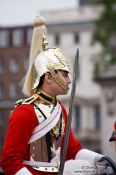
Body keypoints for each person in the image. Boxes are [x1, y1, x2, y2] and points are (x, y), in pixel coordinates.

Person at [1, 16, 107, 175]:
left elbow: (72, 150)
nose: (69, 80)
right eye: (64, 75)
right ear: (48, 77)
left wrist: (100, 160)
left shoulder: (60, 110)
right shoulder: (25, 112)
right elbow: (10, 161)